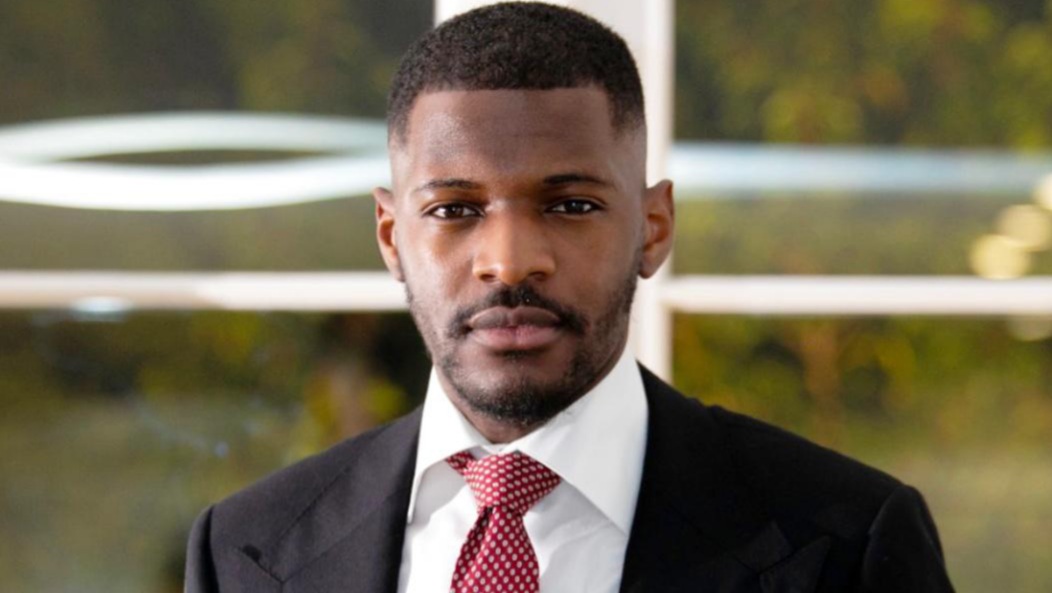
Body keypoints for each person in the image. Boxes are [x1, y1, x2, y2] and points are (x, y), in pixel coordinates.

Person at [184, 3, 955, 592]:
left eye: (571, 204)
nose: (510, 261)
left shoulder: (850, 544)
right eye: (454, 209)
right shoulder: (243, 551)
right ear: (391, 236)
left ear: (653, 227)